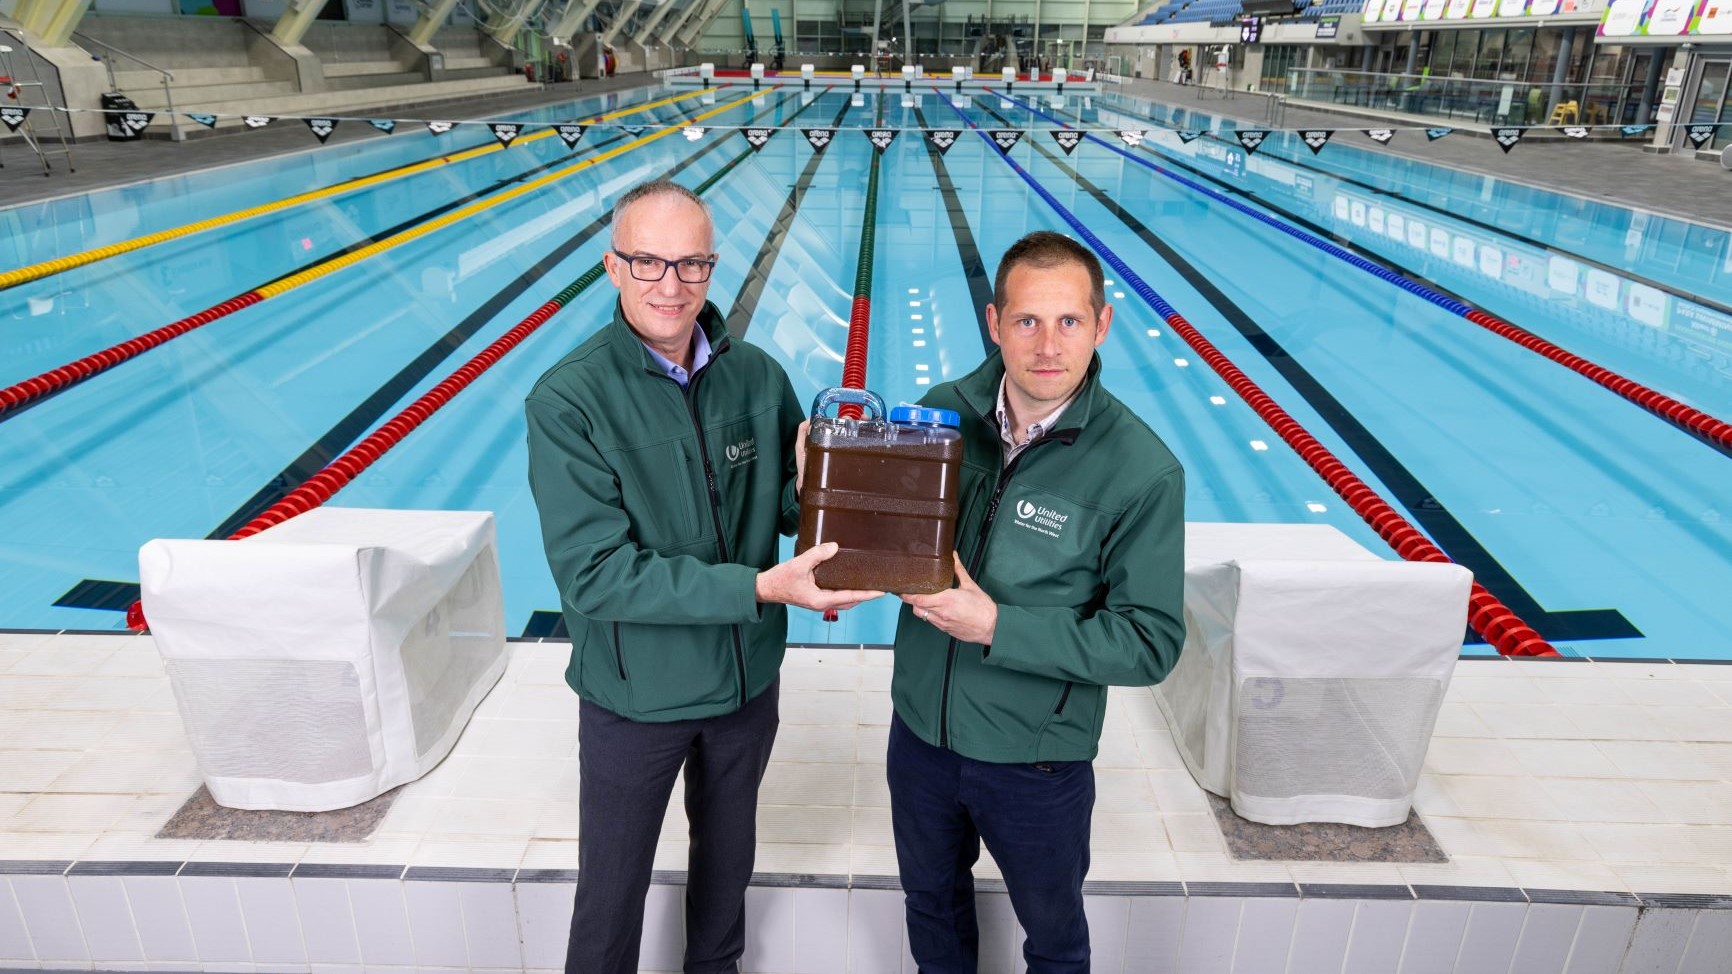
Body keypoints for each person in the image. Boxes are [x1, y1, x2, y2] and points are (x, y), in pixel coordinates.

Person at [524, 179, 879, 974]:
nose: (671, 285)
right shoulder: (571, 401)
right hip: (635, 702)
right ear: (613, 268)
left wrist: (820, 481)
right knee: (609, 905)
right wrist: (756, 590)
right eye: (648, 262)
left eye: (691, 264)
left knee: (724, 894)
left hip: (743, 690)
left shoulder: (756, 377)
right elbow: (596, 578)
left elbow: (792, 512)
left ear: (713, 268)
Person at [886, 231, 1186, 973]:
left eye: (1069, 322)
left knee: (1053, 943)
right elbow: (886, 537)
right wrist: (823, 480)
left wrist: (997, 626)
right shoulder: (939, 415)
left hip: (1036, 764)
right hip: (922, 736)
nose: (1047, 345)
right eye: (1027, 321)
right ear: (994, 323)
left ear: (1102, 324)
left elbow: (1149, 643)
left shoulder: (1141, 471)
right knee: (931, 908)